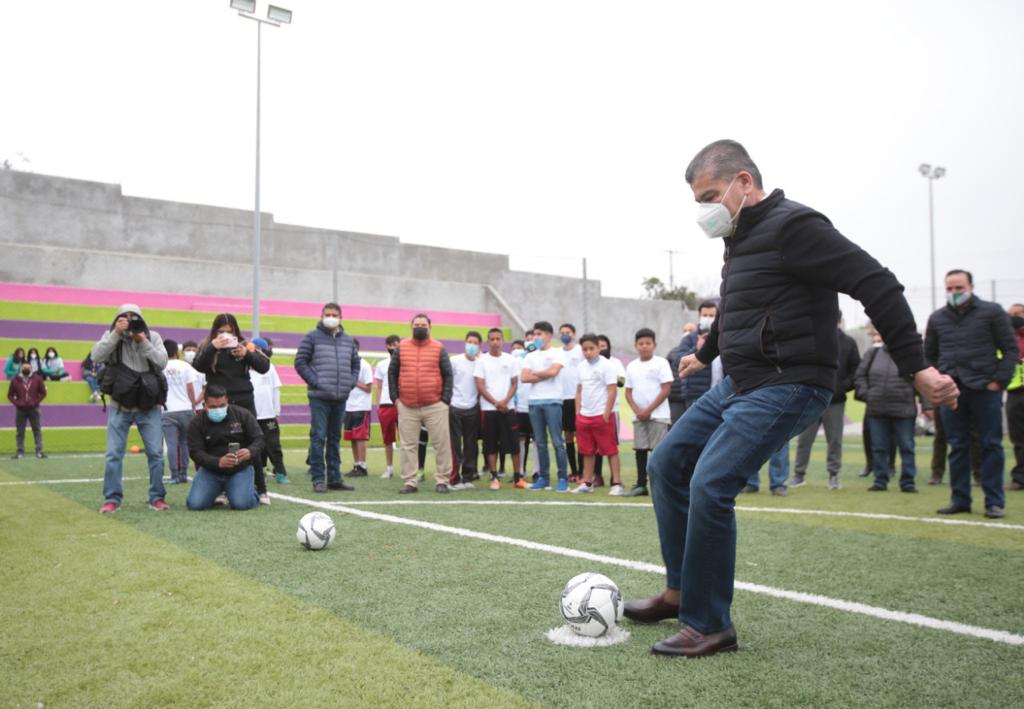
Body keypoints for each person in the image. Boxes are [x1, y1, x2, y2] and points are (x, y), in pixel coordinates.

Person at [624, 139, 958, 658]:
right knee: (667, 464)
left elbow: (879, 284)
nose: (705, 211)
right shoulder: (738, 240)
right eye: (698, 202)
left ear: (743, 183)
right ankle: (680, 591)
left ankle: (709, 624)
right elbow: (739, 309)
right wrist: (706, 353)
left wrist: (918, 367)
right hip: (740, 381)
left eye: (711, 195)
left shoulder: (796, 227)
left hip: (791, 381)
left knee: (712, 483)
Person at [925, 269, 1018, 518]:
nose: (954, 293)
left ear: (971, 287)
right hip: (951, 391)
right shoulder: (937, 318)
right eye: (950, 288)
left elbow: (1010, 350)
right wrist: (938, 381)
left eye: (959, 287)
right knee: (957, 445)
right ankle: (960, 499)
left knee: (990, 444)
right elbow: (929, 356)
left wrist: (998, 382)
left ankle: (994, 502)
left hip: (984, 388)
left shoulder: (992, 312)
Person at [92, 304, 170, 513]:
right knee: (113, 454)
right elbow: (96, 356)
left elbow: (162, 362)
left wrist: (142, 341)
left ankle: (157, 497)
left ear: (141, 320)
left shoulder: (152, 336)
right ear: (116, 320)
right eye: (123, 318)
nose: (129, 321)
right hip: (120, 404)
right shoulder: (112, 336)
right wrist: (116, 333)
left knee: (155, 453)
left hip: (148, 405)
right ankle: (112, 499)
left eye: (133, 318)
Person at [192, 313, 272, 500]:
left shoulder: (244, 345)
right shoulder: (208, 346)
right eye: (221, 332)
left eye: (229, 332)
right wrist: (213, 347)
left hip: (243, 399)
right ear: (215, 331)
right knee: (217, 442)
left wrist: (247, 354)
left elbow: (264, 367)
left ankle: (261, 489)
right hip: (218, 402)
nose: (225, 336)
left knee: (251, 443)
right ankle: (220, 489)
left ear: (235, 331)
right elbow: (198, 366)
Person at [294, 303, 361, 493]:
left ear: (341, 317)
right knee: (318, 437)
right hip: (320, 397)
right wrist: (316, 382)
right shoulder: (312, 337)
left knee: (334, 438)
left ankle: (334, 478)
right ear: (322, 315)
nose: (331, 317)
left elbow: (356, 364)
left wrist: (350, 382)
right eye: (328, 314)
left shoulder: (348, 340)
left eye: (334, 314)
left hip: (340, 396)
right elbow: (300, 362)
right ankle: (318, 479)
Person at [388, 313, 455, 494]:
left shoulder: (439, 348)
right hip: (407, 405)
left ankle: (442, 480)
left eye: (423, 325)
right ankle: (410, 481)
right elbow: (392, 373)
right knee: (408, 445)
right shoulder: (401, 347)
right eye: (417, 324)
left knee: (441, 443)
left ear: (430, 327)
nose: (420, 327)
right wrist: (396, 398)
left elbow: (448, 374)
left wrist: (445, 400)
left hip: (435, 405)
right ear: (411, 326)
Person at [790, 320, 860, 490]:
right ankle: (799, 475)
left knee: (835, 440)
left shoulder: (848, 342)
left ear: (840, 321)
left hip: (835, 401)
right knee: (804, 439)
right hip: (810, 399)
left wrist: (842, 387)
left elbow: (856, 369)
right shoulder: (811, 339)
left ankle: (834, 475)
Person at [855, 329, 919, 493]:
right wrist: (867, 394)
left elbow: (921, 377)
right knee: (878, 447)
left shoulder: (912, 354)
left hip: (903, 408)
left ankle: (908, 482)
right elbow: (860, 375)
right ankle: (880, 480)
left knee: (907, 446)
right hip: (877, 408)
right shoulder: (872, 354)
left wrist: (924, 403)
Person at [185, 384, 263, 511]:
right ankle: (217, 490)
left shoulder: (242, 415)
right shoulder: (197, 422)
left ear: (227, 401)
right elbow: (195, 452)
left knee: (241, 504)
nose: (218, 409)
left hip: (239, 469)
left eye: (222, 405)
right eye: (213, 407)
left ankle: (250, 492)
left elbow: (259, 438)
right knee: (195, 504)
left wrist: (250, 451)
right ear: (205, 404)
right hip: (211, 470)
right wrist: (218, 462)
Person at [570, 334, 624, 494]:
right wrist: (578, 413)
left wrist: (606, 413)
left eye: (591, 348)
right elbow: (579, 391)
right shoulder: (581, 367)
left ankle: (616, 483)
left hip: (602, 415)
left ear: (598, 348)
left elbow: (612, 390)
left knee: (611, 450)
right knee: (587, 451)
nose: (588, 352)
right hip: (584, 417)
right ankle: (587, 483)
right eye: (584, 349)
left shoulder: (607, 366)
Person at [624, 328, 673, 497]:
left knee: (658, 451)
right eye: (641, 344)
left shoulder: (661, 363)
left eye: (648, 343)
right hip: (639, 417)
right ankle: (640, 484)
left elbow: (666, 389)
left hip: (658, 415)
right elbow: (628, 392)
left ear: (654, 345)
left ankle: (660, 485)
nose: (644, 346)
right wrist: (638, 411)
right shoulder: (631, 366)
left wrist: (648, 410)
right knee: (640, 449)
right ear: (635, 345)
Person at [521, 321, 569, 492]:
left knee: (557, 442)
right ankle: (544, 478)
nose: (536, 337)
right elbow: (524, 378)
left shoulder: (558, 353)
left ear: (549, 335)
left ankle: (563, 478)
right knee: (540, 443)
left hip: (553, 402)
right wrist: (544, 374)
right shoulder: (530, 356)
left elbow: (554, 372)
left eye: (539, 334)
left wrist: (536, 373)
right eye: (535, 334)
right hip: (534, 403)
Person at [475, 327, 520, 490]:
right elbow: (480, 386)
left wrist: (506, 401)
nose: (495, 342)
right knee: (491, 444)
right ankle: (494, 477)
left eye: (498, 339)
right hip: (489, 409)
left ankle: (517, 477)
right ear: (488, 342)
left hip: (509, 408)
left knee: (514, 444)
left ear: (503, 341)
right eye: (492, 339)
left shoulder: (511, 360)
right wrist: (496, 403)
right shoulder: (481, 361)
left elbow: (515, 383)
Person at [667, 301, 718, 425]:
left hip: (720, 392)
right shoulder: (689, 338)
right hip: (696, 393)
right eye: (705, 315)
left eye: (712, 316)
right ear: (699, 316)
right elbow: (678, 362)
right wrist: (697, 349)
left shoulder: (723, 337)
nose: (708, 318)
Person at [250, 337, 289, 487]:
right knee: (255, 446)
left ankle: (280, 472)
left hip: (268, 415)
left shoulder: (269, 368)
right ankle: (260, 471)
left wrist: (276, 411)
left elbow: (275, 389)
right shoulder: (243, 368)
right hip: (251, 415)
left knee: (273, 445)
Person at [589, 334, 626, 487]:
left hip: (611, 410)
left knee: (611, 445)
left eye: (604, 346)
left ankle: (615, 478)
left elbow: (622, 381)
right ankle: (597, 476)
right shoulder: (590, 364)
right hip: (594, 410)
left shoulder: (615, 363)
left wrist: (608, 376)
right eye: (600, 346)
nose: (602, 349)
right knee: (596, 446)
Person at [161, 339, 199, 485]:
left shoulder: (160, 367)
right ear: (177, 352)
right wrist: (193, 405)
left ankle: (174, 475)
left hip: (168, 410)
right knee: (184, 443)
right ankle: (183, 473)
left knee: (171, 444)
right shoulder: (185, 366)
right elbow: (190, 388)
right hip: (186, 409)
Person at [449, 331, 483, 489]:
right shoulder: (454, 361)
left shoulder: (481, 363)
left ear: (480, 346)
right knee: (454, 445)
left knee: (471, 445)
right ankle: (454, 478)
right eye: (470, 342)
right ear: (465, 342)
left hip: (473, 408)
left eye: (475, 343)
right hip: (455, 407)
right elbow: (448, 382)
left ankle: (467, 478)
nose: (472, 345)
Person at [343, 339, 375, 478]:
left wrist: (353, 381)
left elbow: (369, 388)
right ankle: (356, 464)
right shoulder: (345, 364)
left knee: (360, 437)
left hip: (361, 406)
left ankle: (363, 465)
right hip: (348, 406)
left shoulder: (365, 365)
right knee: (352, 437)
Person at [557, 324, 584, 482]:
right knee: (567, 436)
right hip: (562, 399)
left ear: (574, 334)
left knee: (579, 436)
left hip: (577, 398)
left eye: (568, 332)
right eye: (562, 333)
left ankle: (582, 471)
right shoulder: (557, 353)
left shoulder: (580, 350)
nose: (565, 335)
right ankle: (573, 471)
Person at [7, 360, 47, 459]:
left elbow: (43, 393)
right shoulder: (15, 380)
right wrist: (17, 403)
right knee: (20, 432)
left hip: (34, 409)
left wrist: (35, 402)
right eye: (24, 367)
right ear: (21, 368)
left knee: (37, 430)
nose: (26, 369)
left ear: (31, 368)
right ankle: (20, 452)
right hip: (20, 410)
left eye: (28, 367)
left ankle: (39, 452)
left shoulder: (37, 379)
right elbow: (10, 395)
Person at [375, 335, 401, 479]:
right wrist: (378, 406)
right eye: (390, 345)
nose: (393, 348)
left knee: (406, 439)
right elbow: (378, 387)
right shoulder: (381, 364)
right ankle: (389, 468)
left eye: (396, 345)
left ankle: (408, 468)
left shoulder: (405, 363)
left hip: (402, 404)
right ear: (386, 346)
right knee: (388, 439)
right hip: (386, 405)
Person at [511, 339, 536, 488]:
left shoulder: (542, 358)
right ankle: (519, 472)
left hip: (536, 404)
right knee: (520, 439)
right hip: (520, 406)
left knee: (537, 441)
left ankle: (537, 471)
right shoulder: (517, 358)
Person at [1008, 303, 1024, 491]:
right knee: (1018, 440)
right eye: (1010, 314)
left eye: (1017, 314)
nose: (1013, 317)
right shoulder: (1006, 338)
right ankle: (1020, 478)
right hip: (1013, 393)